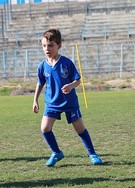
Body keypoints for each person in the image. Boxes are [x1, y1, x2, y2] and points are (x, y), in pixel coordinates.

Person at [32, 29, 103, 167]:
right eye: (44, 46)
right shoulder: (42, 66)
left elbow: (77, 80)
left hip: (69, 103)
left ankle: (93, 154)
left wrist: (70, 86)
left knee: (80, 129)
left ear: (59, 45)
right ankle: (56, 152)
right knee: (45, 128)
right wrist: (35, 100)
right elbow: (40, 82)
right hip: (51, 103)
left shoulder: (66, 63)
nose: (47, 49)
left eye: (51, 45)